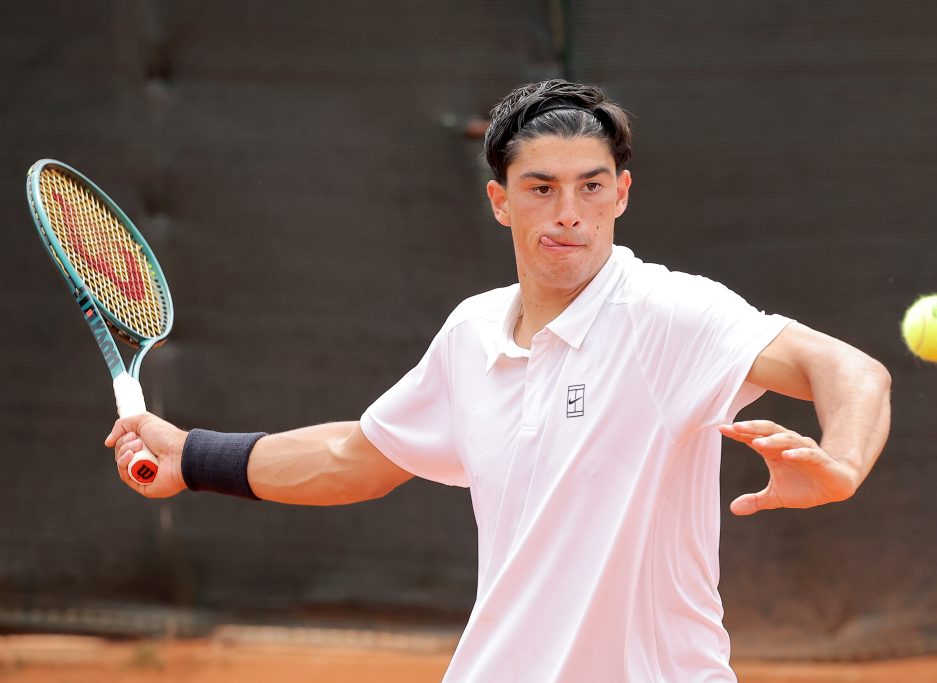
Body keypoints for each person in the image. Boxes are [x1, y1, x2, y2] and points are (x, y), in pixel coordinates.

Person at [106, 79, 892, 682]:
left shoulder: (666, 314)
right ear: (500, 202)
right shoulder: (473, 331)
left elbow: (850, 369)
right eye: (541, 188)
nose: (569, 212)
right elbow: (359, 455)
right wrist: (192, 457)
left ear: (622, 192)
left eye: (591, 185)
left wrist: (845, 463)